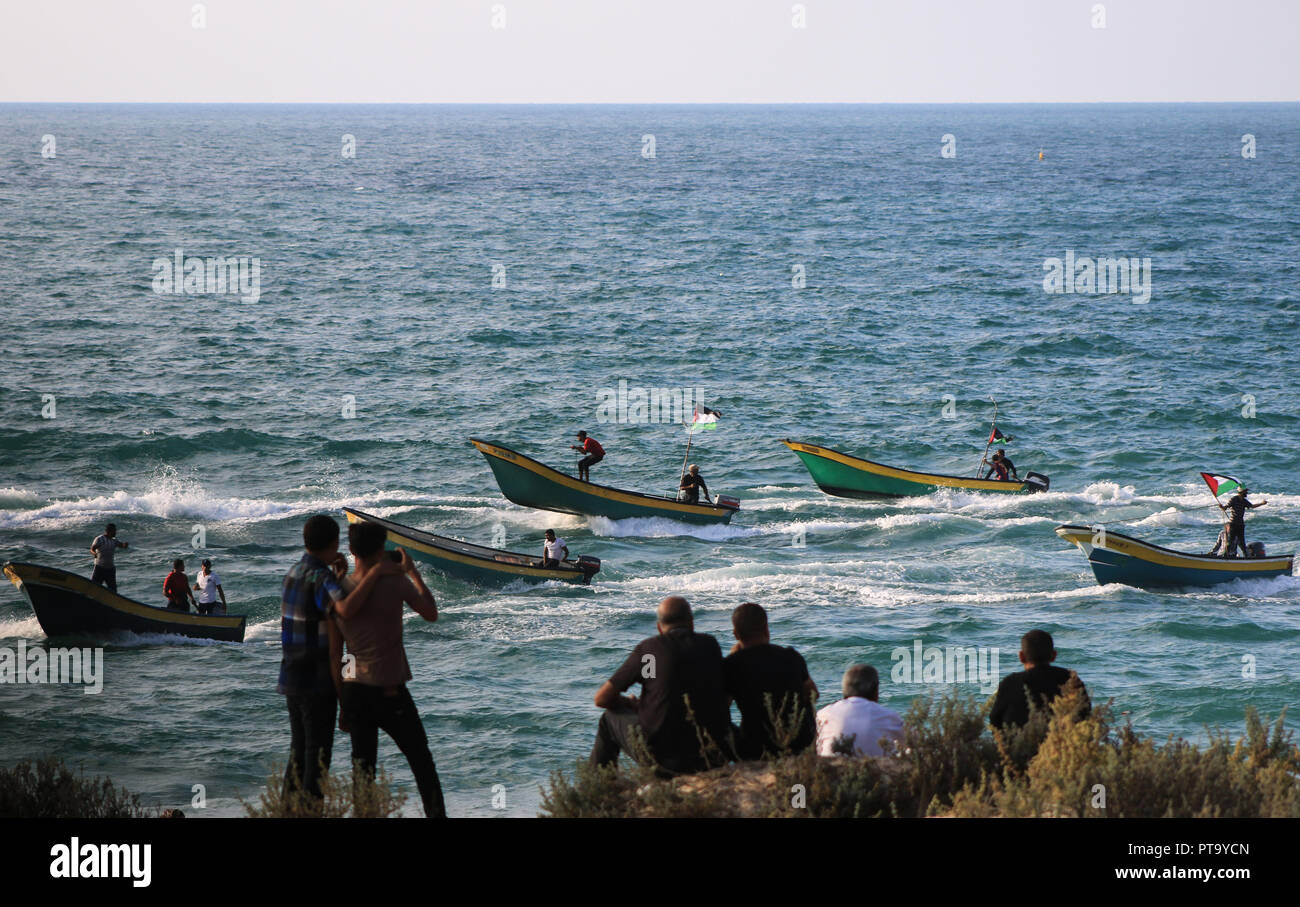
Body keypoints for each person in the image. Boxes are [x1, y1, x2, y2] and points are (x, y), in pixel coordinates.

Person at [278, 514, 401, 802]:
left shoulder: (293, 572)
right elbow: (344, 609)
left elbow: (321, 604)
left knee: (298, 753)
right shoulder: (322, 578)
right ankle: (310, 810)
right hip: (317, 683)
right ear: (334, 543)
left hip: (291, 678)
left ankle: (284, 809)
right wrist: (375, 573)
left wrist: (338, 577)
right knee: (317, 758)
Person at [329, 520, 447, 819]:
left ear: (352, 549)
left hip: (355, 690)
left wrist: (342, 701)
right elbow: (431, 613)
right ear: (382, 549)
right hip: (391, 692)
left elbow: (337, 657)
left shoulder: (338, 590)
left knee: (363, 773)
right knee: (422, 764)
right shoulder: (395, 582)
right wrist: (413, 572)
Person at [591, 596, 732, 775]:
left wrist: (629, 704)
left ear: (659, 627)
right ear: (692, 623)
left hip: (663, 760)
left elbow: (602, 699)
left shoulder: (649, 651)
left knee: (609, 718)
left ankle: (601, 786)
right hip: (709, 757)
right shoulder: (710, 646)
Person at [722, 603, 817, 759]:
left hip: (756, 747)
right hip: (798, 743)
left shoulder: (732, 665)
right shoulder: (791, 656)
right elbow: (814, 694)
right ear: (766, 628)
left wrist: (733, 658)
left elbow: (722, 706)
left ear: (736, 634)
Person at [989, 629, 1090, 729]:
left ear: (1021, 657)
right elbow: (1085, 714)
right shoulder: (1070, 679)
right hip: (1064, 742)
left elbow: (995, 721)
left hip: (1020, 743)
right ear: (1054, 655)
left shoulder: (1010, 683)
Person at [815, 664, 905, 757]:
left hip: (830, 769)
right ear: (875, 690)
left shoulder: (824, 714)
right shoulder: (888, 716)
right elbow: (913, 742)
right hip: (874, 770)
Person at [1213, 486, 1267, 559]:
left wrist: (1262, 503)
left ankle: (1246, 558)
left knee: (1242, 543)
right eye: (1245, 491)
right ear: (1241, 492)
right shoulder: (1234, 499)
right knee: (1230, 541)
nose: (1247, 493)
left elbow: (1252, 506)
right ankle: (1225, 557)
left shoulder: (1244, 501)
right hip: (1233, 524)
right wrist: (1221, 507)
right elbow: (1225, 508)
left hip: (1241, 525)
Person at [89, 523, 128, 592]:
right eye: (114, 531)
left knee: (113, 591)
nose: (116, 532)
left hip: (110, 569)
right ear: (109, 531)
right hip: (99, 568)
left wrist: (125, 545)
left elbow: (121, 545)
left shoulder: (114, 540)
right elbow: (92, 549)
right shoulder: (100, 539)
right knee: (94, 588)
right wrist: (94, 553)